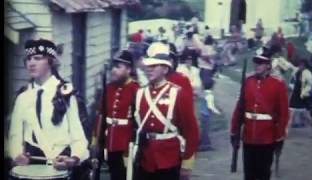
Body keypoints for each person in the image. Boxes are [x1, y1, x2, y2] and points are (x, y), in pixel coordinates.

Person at [7, 39, 89, 177]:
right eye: (28, 59)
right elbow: (15, 136)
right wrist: (17, 155)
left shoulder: (65, 93)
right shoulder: (22, 97)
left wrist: (73, 159)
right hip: (33, 167)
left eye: (38, 58)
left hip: (61, 167)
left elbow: (79, 138)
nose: (31, 63)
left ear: (50, 62)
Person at [133, 42, 199, 180]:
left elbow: (191, 130)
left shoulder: (177, 93)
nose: (149, 69)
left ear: (165, 69)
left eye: (154, 66)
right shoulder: (140, 93)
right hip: (144, 159)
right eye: (148, 66)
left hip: (169, 158)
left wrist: (187, 162)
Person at [230, 49, 289, 180]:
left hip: (267, 137)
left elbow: (284, 112)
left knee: (263, 173)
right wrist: (234, 130)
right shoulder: (248, 81)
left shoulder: (278, 84)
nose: (257, 65)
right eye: (256, 62)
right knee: (249, 173)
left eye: (261, 63)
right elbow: (239, 108)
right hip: (248, 136)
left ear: (268, 65)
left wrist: (279, 134)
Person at [91, 50, 139, 180]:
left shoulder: (136, 90)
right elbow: (101, 115)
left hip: (126, 145)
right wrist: (96, 141)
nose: (113, 70)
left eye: (118, 67)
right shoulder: (109, 88)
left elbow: (138, 122)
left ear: (129, 69)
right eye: (113, 66)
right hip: (109, 142)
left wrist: (133, 146)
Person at [288, 58, 312, 137]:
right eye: (299, 65)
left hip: (302, 97)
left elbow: (310, 84)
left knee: (307, 116)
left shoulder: (307, 73)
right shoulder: (296, 72)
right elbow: (292, 81)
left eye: (302, 65)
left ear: (304, 65)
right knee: (290, 116)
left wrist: (305, 92)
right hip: (295, 96)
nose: (300, 66)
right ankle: (286, 133)